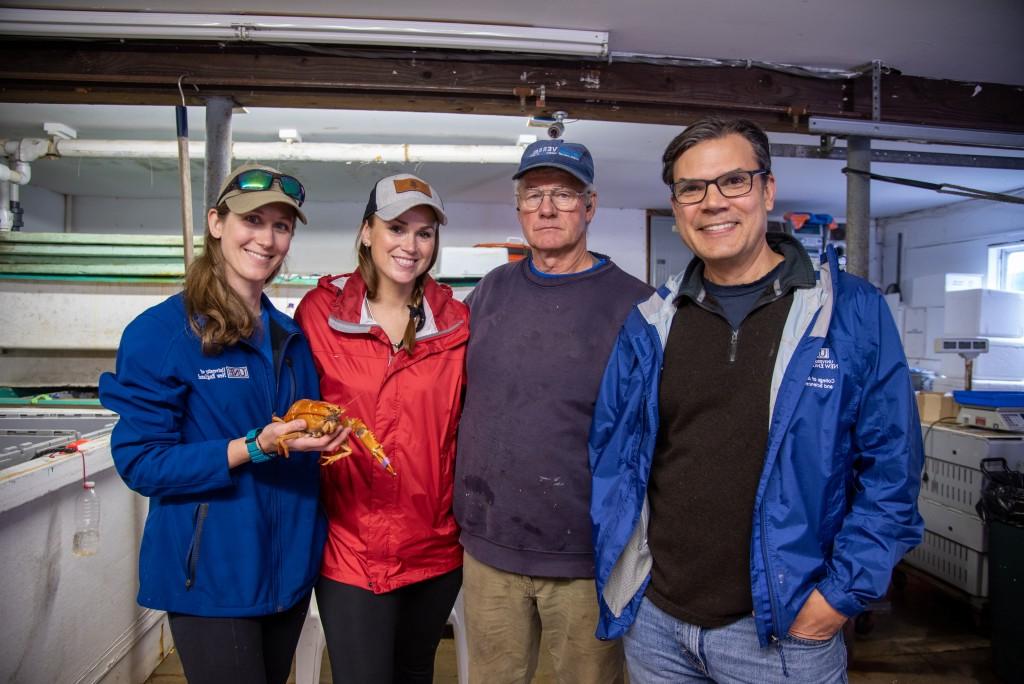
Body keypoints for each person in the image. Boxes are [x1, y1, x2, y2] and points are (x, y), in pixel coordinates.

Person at [589, 117, 925, 683]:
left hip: (783, 633)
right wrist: (628, 579)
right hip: (658, 627)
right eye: (692, 188)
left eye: (733, 182)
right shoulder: (652, 323)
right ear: (677, 207)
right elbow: (613, 456)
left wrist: (839, 597)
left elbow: (892, 470)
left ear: (767, 190)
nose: (712, 202)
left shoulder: (847, 314)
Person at [99, 163, 350, 684]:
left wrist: (320, 441)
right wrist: (254, 446)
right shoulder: (163, 333)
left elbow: (294, 437)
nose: (267, 238)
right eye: (253, 220)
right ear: (216, 223)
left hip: (286, 573)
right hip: (212, 577)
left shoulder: (288, 336)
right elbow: (142, 463)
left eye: (281, 226)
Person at [454, 140, 654, 683]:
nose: (546, 208)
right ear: (518, 207)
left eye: (563, 195)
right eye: (534, 194)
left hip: (587, 557)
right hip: (490, 548)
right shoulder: (490, 292)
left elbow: (656, 433)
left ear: (589, 206)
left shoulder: (639, 306)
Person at [294, 173, 469, 684]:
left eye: (424, 232)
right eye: (396, 227)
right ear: (367, 232)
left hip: (434, 543)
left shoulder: (457, 322)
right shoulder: (319, 314)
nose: (410, 245)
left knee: (415, 672)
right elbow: (294, 407)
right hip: (351, 544)